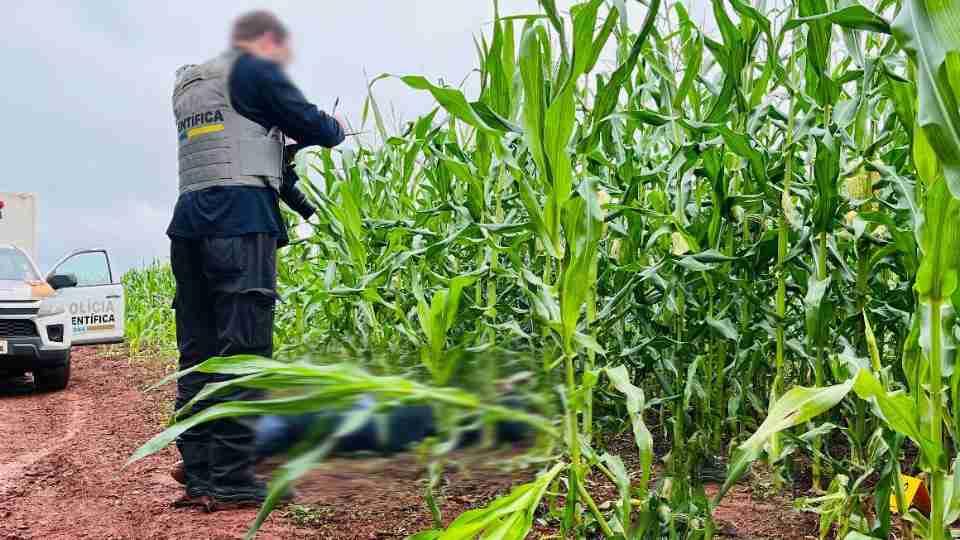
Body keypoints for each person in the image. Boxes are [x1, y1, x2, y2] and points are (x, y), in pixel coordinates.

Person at [166, 10, 344, 511]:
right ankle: (234, 478)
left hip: (189, 226)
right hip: (240, 225)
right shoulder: (253, 72)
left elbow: (247, 155)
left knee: (198, 355)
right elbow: (318, 126)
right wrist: (336, 128)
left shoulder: (190, 85)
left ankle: (200, 473)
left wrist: (306, 203)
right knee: (242, 353)